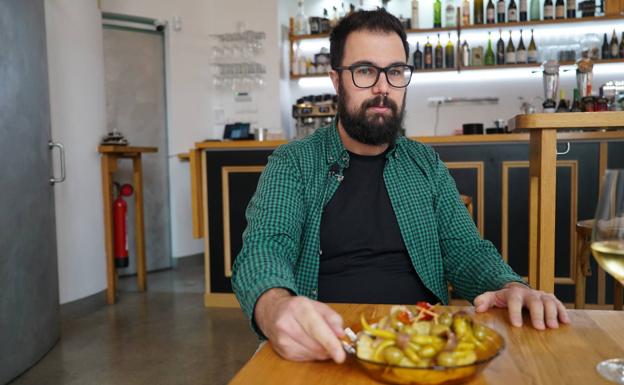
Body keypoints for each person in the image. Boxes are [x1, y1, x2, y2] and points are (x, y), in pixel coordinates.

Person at [232, 8, 570, 364]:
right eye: (365, 71)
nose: (382, 88)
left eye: (394, 72)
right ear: (336, 80)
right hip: (325, 347)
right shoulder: (294, 163)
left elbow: (467, 251)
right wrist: (275, 306)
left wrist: (510, 286)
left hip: (425, 348)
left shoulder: (425, 163)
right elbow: (264, 248)